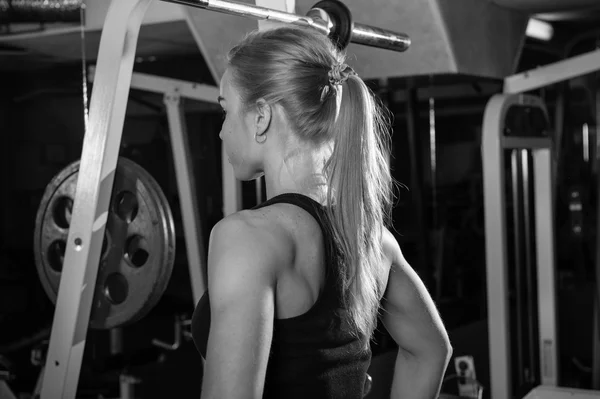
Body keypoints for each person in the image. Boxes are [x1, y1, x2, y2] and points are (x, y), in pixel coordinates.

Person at [191, 25, 452, 399]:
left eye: (225, 111)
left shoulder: (247, 237)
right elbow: (430, 351)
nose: (221, 132)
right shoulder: (372, 239)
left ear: (261, 116)